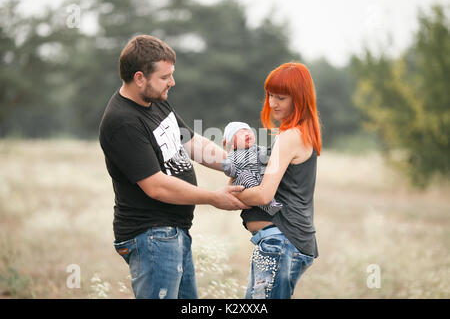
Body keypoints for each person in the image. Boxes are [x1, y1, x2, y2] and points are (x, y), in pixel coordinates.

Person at [98, 35, 249, 299]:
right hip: (151, 236)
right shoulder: (122, 122)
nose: (172, 82)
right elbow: (156, 186)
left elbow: (190, 142)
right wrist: (215, 198)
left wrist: (235, 165)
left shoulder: (154, 100)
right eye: (165, 76)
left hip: (172, 232)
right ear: (139, 78)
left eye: (172, 74)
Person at [234, 62, 322, 299]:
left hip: (281, 241)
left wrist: (231, 195)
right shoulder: (302, 133)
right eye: (270, 95)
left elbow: (264, 195)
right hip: (286, 241)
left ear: (299, 99)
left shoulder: (290, 137)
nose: (273, 103)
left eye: (281, 97)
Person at [221, 121, 283, 215]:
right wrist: (229, 167)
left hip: (259, 175)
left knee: (265, 170)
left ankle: (267, 194)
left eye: (249, 131)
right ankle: (270, 206)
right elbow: (229, 168)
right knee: (245, 176)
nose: (247, 133)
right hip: (243, 180)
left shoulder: (257, 148)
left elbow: (266, 153)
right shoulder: (234, 154)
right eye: (241, 133)